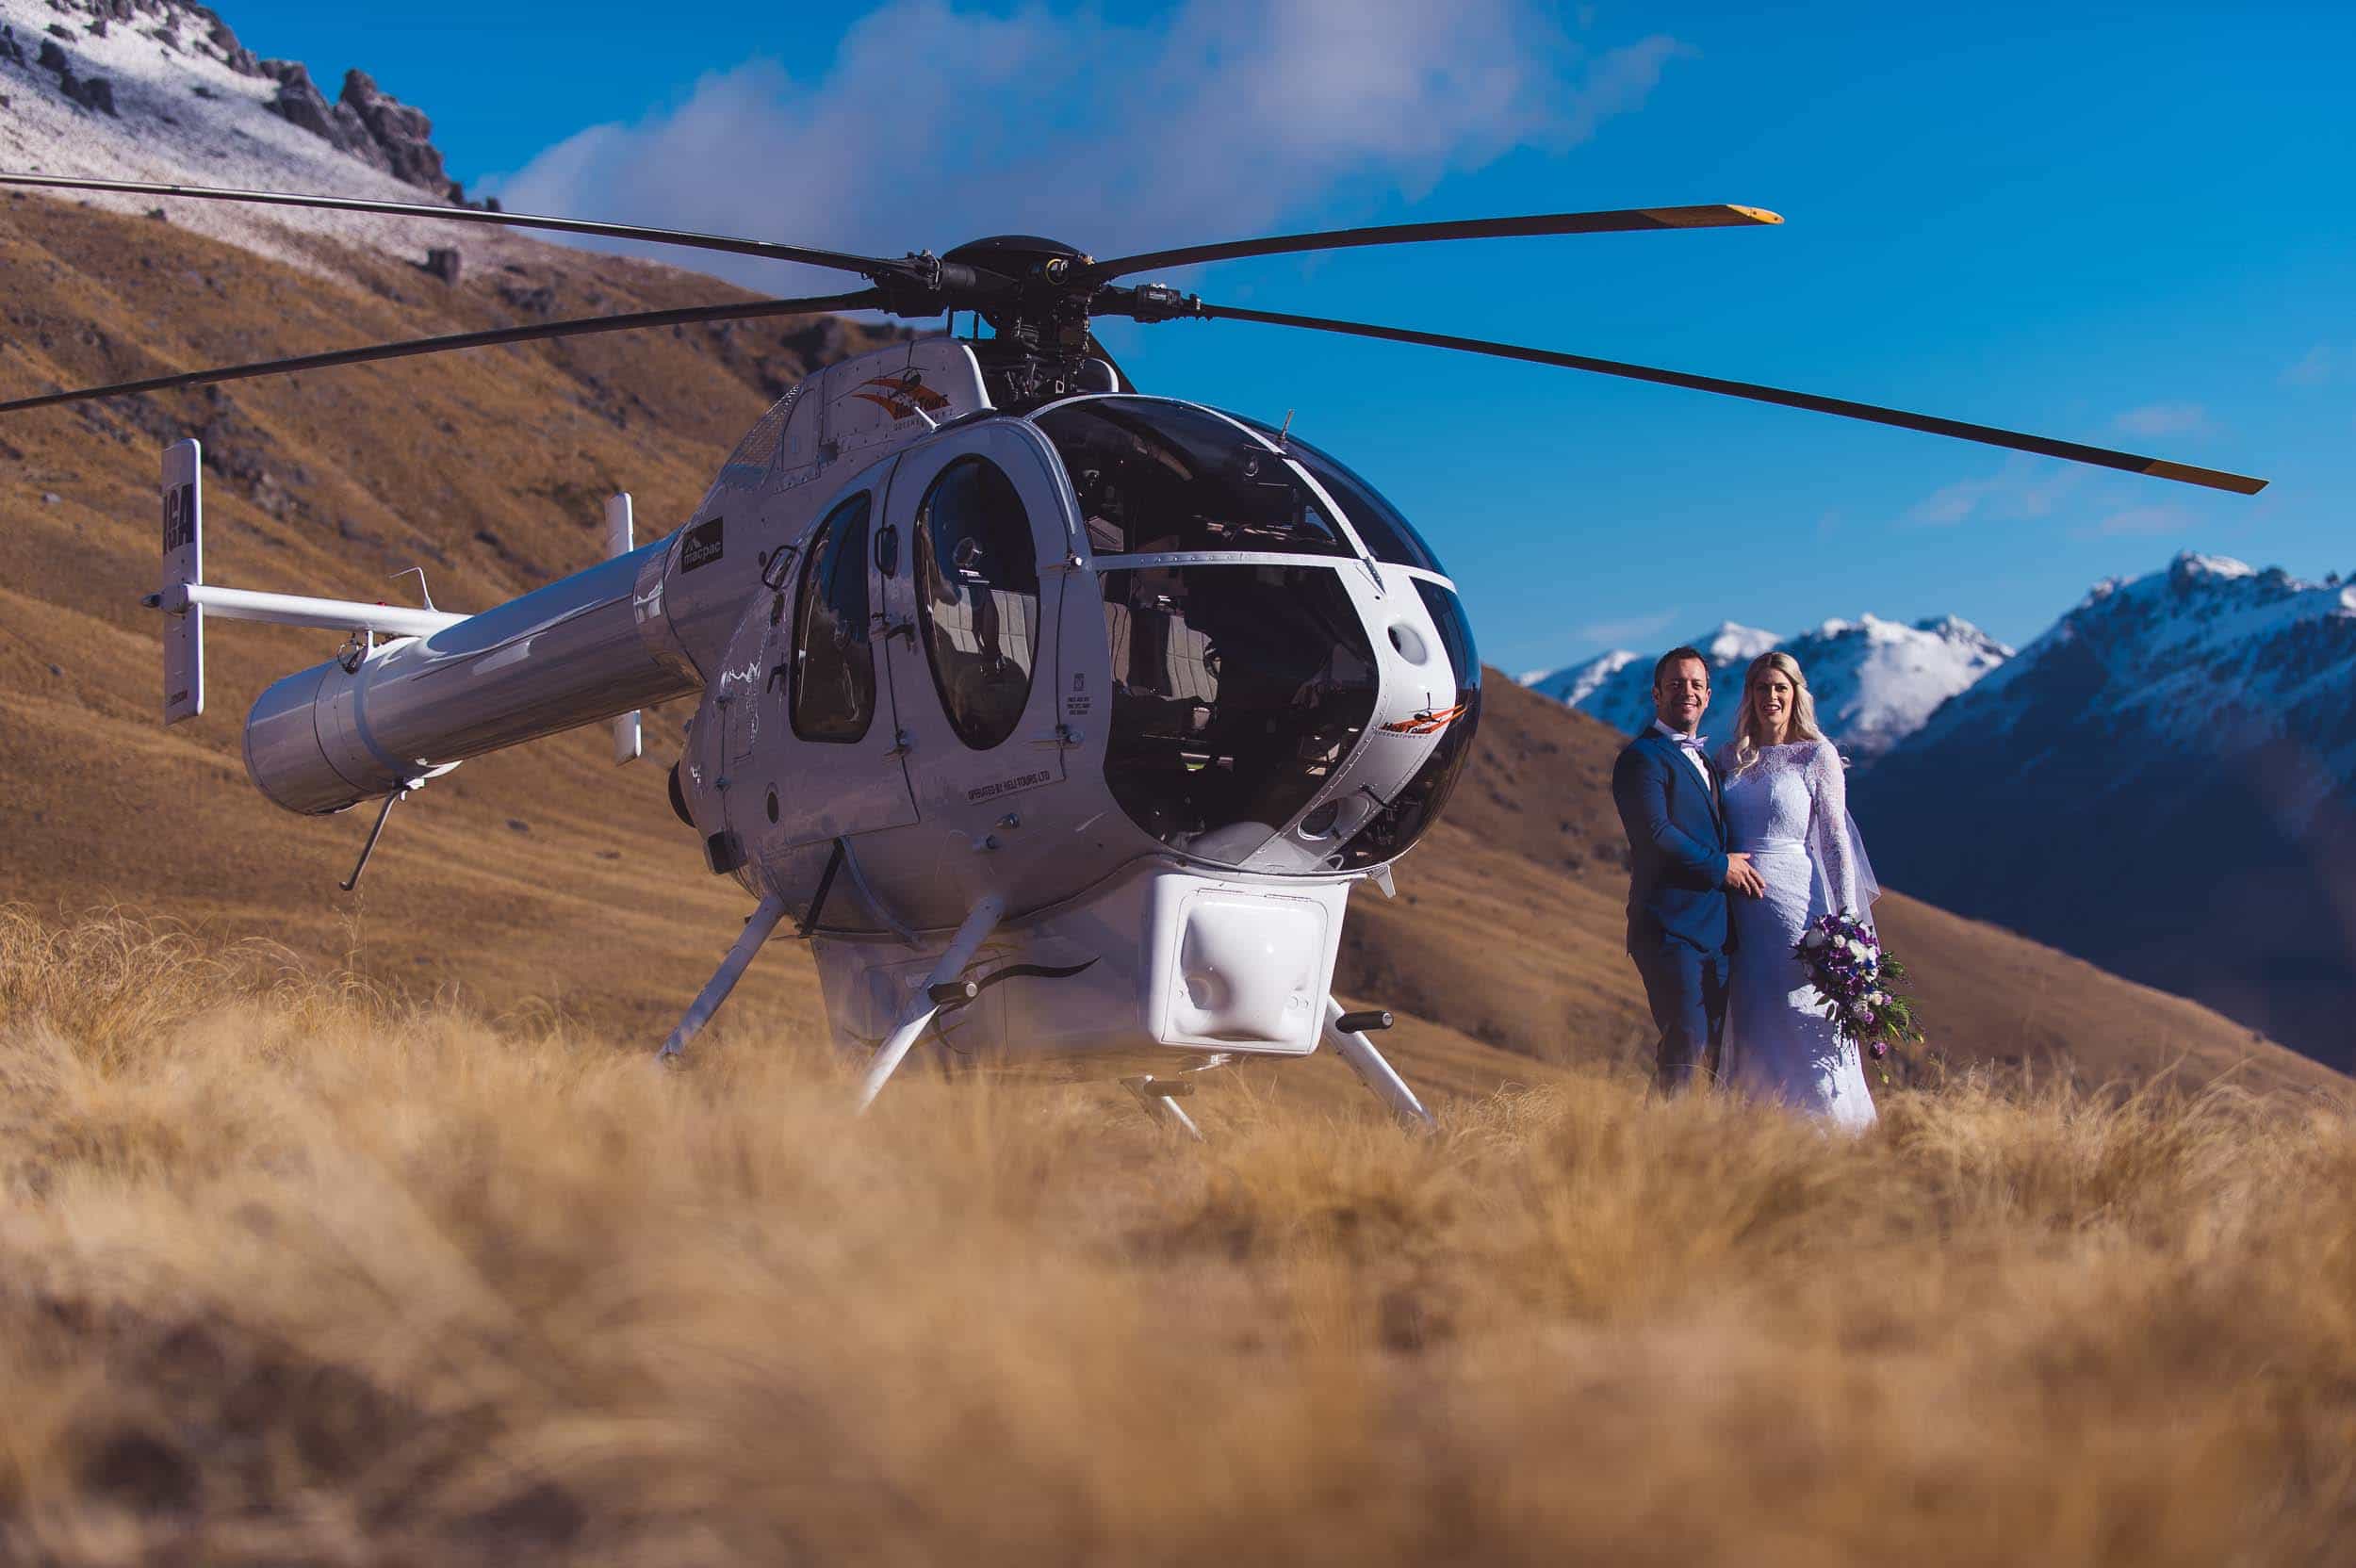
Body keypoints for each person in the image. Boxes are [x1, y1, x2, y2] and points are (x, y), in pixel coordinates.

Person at [1714, 651, 1880, 1129]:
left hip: (1797, 903)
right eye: (1762, 688)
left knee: (1804, 1009)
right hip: (1739, 908)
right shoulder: (1729, 758)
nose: (1771, 697)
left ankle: (1828, 1127)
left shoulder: (1816, 755)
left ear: (1795, 695)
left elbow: (1834, 839)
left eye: (1780, 688)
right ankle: (1760, 1130)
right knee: (1753, 1011)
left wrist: (1846, 918)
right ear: (1750, 695)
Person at [1611, 648, 1765, 1092]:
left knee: (1712, 1055)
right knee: (1687, 1045)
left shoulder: (1709, 762)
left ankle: (1689, 1149)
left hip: (1716, 934)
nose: (1688, 693)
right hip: (1668, 929)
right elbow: (1656, 834)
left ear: (1709, 695)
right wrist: (1723, 868)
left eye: (1697, 685)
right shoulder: (1642, 758)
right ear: (1657, 693)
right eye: (1676, 684)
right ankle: (1657, 1152)